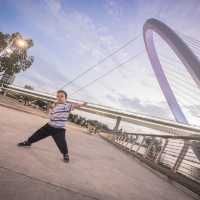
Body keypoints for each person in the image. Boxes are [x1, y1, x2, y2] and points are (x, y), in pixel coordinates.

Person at [17, 90, 87, 162]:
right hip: (49, 126)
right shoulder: (55, 106)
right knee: (37, 134)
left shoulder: (67, 106)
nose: (59, 98)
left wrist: (82, 104)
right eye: (58, 96)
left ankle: (65, 154)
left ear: (66, 98)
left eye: (62, 96)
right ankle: (28, 142)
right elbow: (51, 114)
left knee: (62, 142)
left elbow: (75, 105)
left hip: (59, 129)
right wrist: (51, 108)